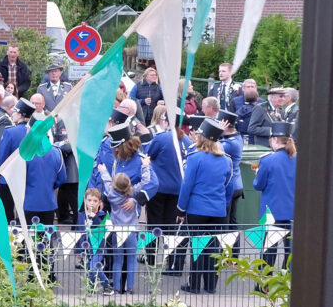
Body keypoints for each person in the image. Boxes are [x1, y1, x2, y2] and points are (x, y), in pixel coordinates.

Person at [178, 118, 233, 294]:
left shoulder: (195, 158)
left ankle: (194, 285)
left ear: (204, 137)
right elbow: (228, 186)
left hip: (197, 209)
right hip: (218, 210)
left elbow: (187, 186)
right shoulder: (227, 160)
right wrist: (222, 205)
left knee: (197, 248)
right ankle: (210, 286)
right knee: (214, 249)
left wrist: (181, 209)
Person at [97, 154, 154, 294]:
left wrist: (103, 170)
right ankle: (129, 289)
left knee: (117, 261)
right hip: (132, 230)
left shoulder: (110, 193)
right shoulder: (133, 192)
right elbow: (146, 180)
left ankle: (116, 288)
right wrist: (145, 165)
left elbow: (107, 181)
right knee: (132, 260)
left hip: (117, 231)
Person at [144, 115, 192, 274]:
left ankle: (150, 258)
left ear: (167, 122)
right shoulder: (187, 141)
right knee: (172, 227)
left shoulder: (161, 138)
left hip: (158, 188)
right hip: (178, 190)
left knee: (153, 224)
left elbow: (147, 156)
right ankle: (171, 261)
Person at [252, 121, 297, 269]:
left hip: (271, 212)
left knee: (268, 252)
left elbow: (258, 185)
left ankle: (264, 287)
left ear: (275, 139)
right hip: (292, 212)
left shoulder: (267, 160)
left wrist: (258, 174)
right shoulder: (297, 159)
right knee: (290, 254)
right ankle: (288, 286)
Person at [73, 187, 113, 294]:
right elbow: (78, 233)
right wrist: (78, 250)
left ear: (99, 203)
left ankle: (106, 285)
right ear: (85, 201)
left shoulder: (101, 215)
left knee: (93, 267)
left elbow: (101, 229)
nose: (92, 203)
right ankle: (91, 288)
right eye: (89, 200)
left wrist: (94, 217)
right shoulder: (81, 216)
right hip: (86, 248)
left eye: (95, 201)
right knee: (89, 268)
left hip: (98, 247)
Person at [218, 109, 244, 224]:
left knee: (226, 221)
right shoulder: (237, 138)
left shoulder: (230, 144)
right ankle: (236, 242)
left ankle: (228, 242)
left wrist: (217, 132)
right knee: (232, 220)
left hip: (231, 186)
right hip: (237, 184)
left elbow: (211, 148)